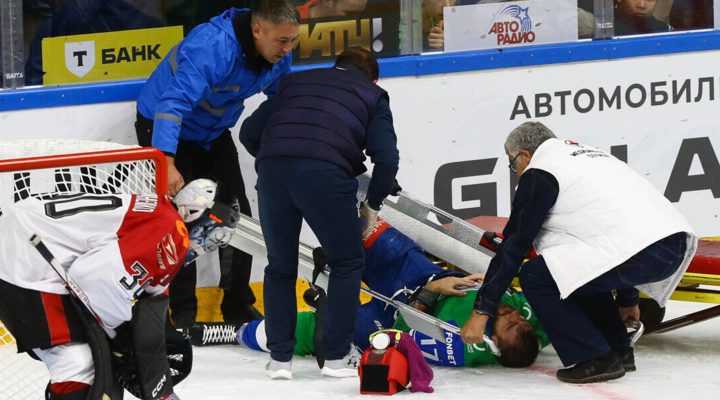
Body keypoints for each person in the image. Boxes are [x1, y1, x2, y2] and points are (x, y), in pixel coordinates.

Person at [460, 121, 697, 383]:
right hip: (673, 243)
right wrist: (628, 298)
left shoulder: (540, 171)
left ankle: (594, 358)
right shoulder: (588, 157)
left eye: (512, 163)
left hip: (642, 249)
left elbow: (514, 245)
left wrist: (482, 310)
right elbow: (617, 227)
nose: (516, 171)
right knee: (566, 268)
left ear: (525, 155)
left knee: (535, 276)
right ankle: (617, 349)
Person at [134, 0, 300, 331]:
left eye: (293, 40)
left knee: (239, 218)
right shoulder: (211, 46)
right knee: (181, 220)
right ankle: (182, 312)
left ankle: (237, 307)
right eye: (282, 41)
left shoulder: (278, 52)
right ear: (257, 30)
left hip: (212, 132)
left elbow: (283, 100)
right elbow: (172, 103)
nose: (288, 49)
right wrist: (165, 160)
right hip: (165, 127)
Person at [239, 48, 400, 379]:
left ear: (335, 66)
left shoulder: (294, 82)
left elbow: (249, 133)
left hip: (272, 174)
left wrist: (279, 157)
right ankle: (337, 357)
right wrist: (373, 203)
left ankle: (280, 360)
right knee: (347, 262)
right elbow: (387, 160)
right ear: (374, 78)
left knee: (280, 266)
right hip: (325, 177)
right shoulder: (373, 95)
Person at [0, 178, 239, 400]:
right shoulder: (171, 232)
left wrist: (128, 336)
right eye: (207, 233)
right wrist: (124, 335)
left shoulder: (160, 214)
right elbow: (92, 279)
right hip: (25, 254)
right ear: (193, 213)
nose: (201, 245)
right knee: (79, 364)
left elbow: (117, 287)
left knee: (93, 354)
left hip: (27, 238)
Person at [235, 217, 551, 369]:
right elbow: (552, 318)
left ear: (492, 344)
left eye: (509, 324)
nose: (512, 313)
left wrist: (432, 289)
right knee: (364, 224)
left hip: (392, 316)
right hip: (418, 274)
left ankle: (235, 332)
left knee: (311, 331)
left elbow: (404, 329)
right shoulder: (526, 324)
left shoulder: (462, 347)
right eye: (519, 320)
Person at [296, 0, 368, 20]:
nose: (356, 21)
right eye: (349, 14)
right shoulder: (290, 22)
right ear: (328, 2)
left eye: (359, 14)